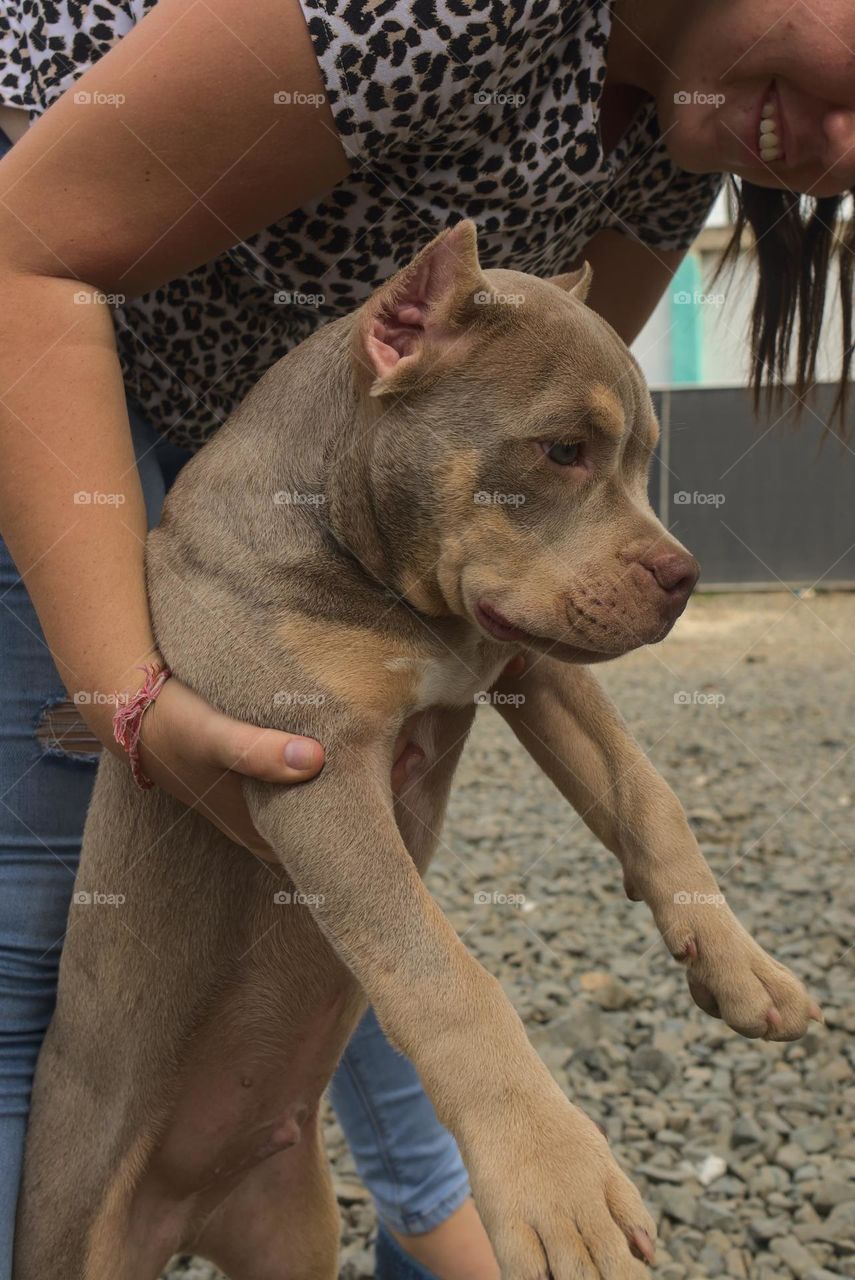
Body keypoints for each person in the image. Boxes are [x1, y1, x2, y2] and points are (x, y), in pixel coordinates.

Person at [0, 2, 852, 1277]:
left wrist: (675, 868)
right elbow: (23, 249)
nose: (839, 151)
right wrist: (126, 696)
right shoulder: (436, 12)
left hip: (334, 443)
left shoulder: (683, 145)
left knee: (365, 844)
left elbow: (534, 435)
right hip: (49, 333)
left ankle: (440, 1215)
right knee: (40, 915)